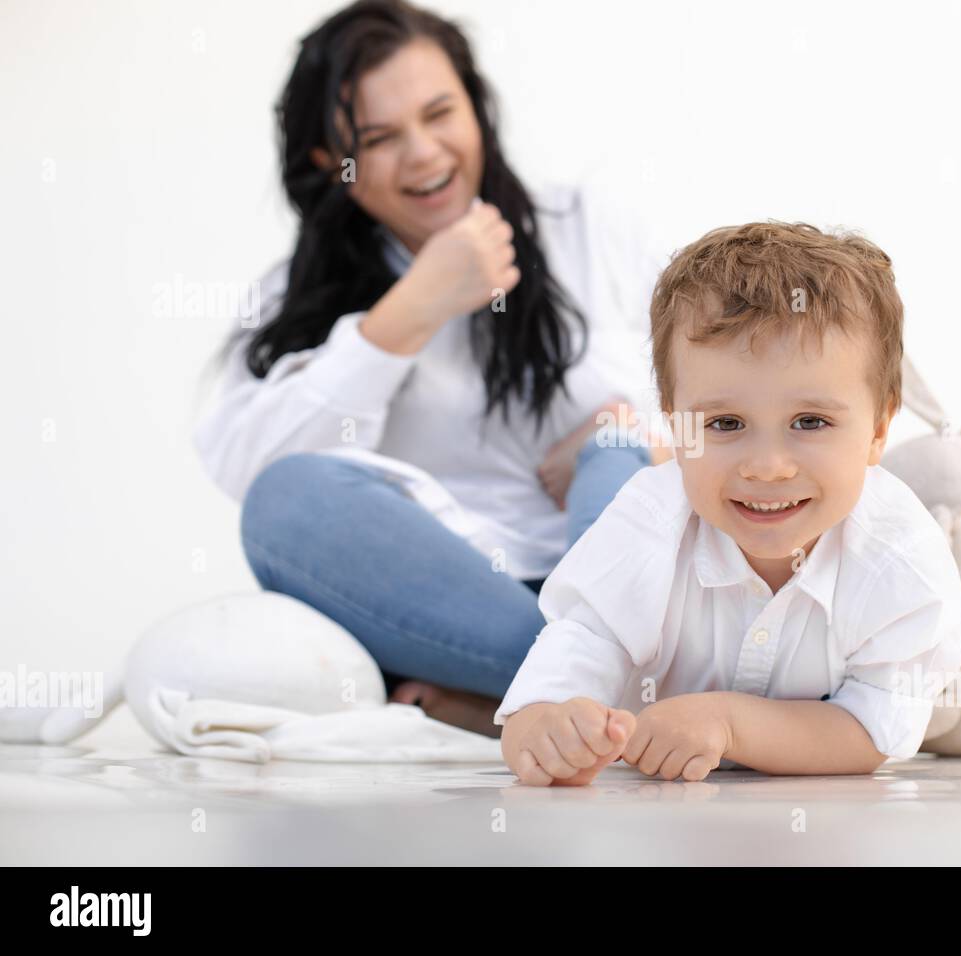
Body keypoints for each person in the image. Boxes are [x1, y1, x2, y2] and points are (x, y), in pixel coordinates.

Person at [194, 0, 670, 738]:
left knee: (624, 459)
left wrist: (631, 433)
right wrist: (409, 311)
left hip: (612, 576)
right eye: (380, 138)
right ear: (331, 161)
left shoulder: (587, 228)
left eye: (440, 113)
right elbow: (248, 470)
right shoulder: (294, 295)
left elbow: (725, 390)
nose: (422, 154)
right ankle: (608, 692)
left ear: (476, 109)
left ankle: (528, 702)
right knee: (285, 501)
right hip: (452, 610)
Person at [495, 222, 961, 784]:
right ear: (674, 424)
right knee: (602, 505)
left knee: (953, 696)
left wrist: (731, 723)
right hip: (634, 506)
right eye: (725, 423)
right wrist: (549, 730)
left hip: (900, 629)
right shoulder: (649, 522)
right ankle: (611, 446)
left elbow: (869, 731)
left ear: (878, 429)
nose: (767, 466)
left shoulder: (903, 561)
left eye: (810, 422)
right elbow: (569, 658)